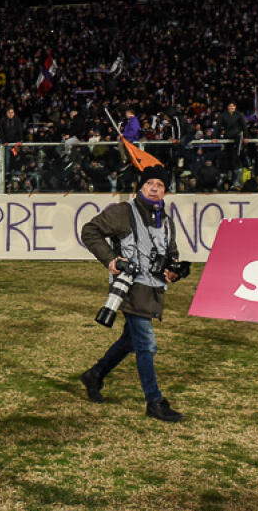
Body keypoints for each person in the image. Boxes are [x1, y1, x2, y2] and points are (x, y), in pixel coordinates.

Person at [78, 164, 187, 422]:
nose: (155, 188)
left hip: (154, 289)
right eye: (150, 183)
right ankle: (154, 400)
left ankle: (95, 374)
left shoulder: (167, 221)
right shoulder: (122, 212)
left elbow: (171, 254)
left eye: (160, 185)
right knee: (146, 343)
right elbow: (89, 231)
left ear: (166, 192)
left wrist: (174, 270)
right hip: (128, 287)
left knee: (131, 340)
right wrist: (110, 260)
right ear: (141, 186)